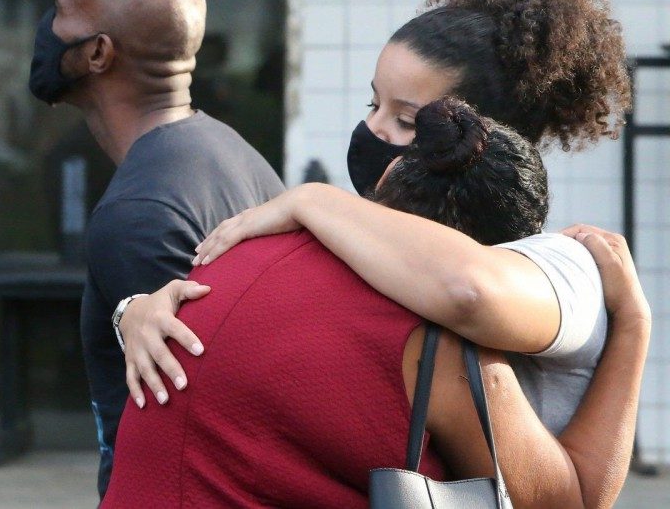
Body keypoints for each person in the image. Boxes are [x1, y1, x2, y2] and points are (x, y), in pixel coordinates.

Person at [103, 98, 650, 508]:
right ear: (498, 256)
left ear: (386, 181)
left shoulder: (240, 248)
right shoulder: (435, 343)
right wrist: (634, 324)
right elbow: (568, 500)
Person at [27, 0, 285, 496]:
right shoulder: (227, 149)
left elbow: (184, 431)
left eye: (60, 11)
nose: (46, 28)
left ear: (97, 53)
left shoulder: (139, 215)